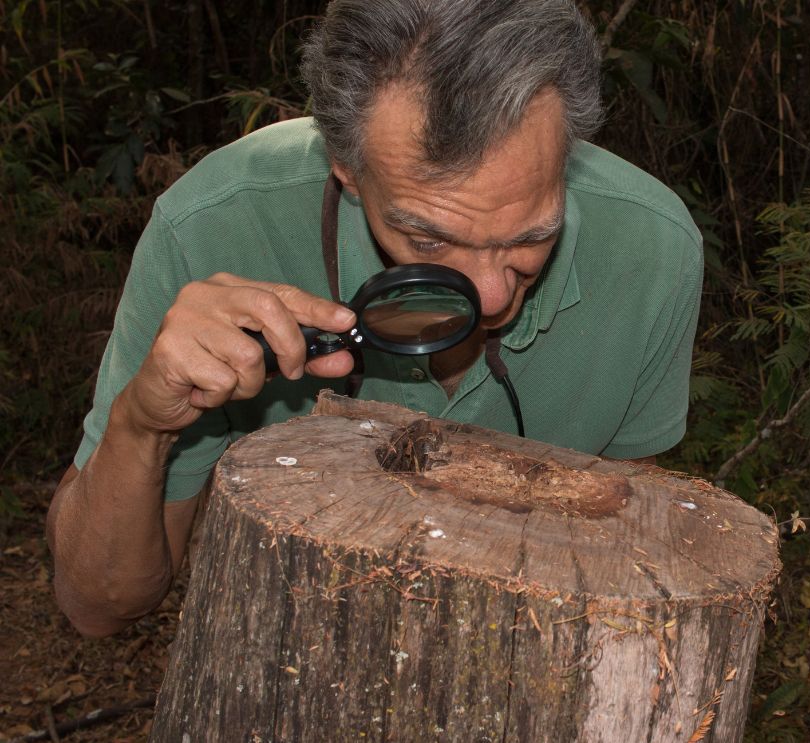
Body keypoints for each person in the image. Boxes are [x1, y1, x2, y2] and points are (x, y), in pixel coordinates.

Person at [46, 0, 702, 637]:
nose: (491, 297)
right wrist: (140, 426)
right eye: (428, 240)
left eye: (532, 234)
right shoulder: (213, 231)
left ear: (568, 158)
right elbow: (98, 606)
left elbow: (623, 562)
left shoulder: (650, 253)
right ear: (347, 170)